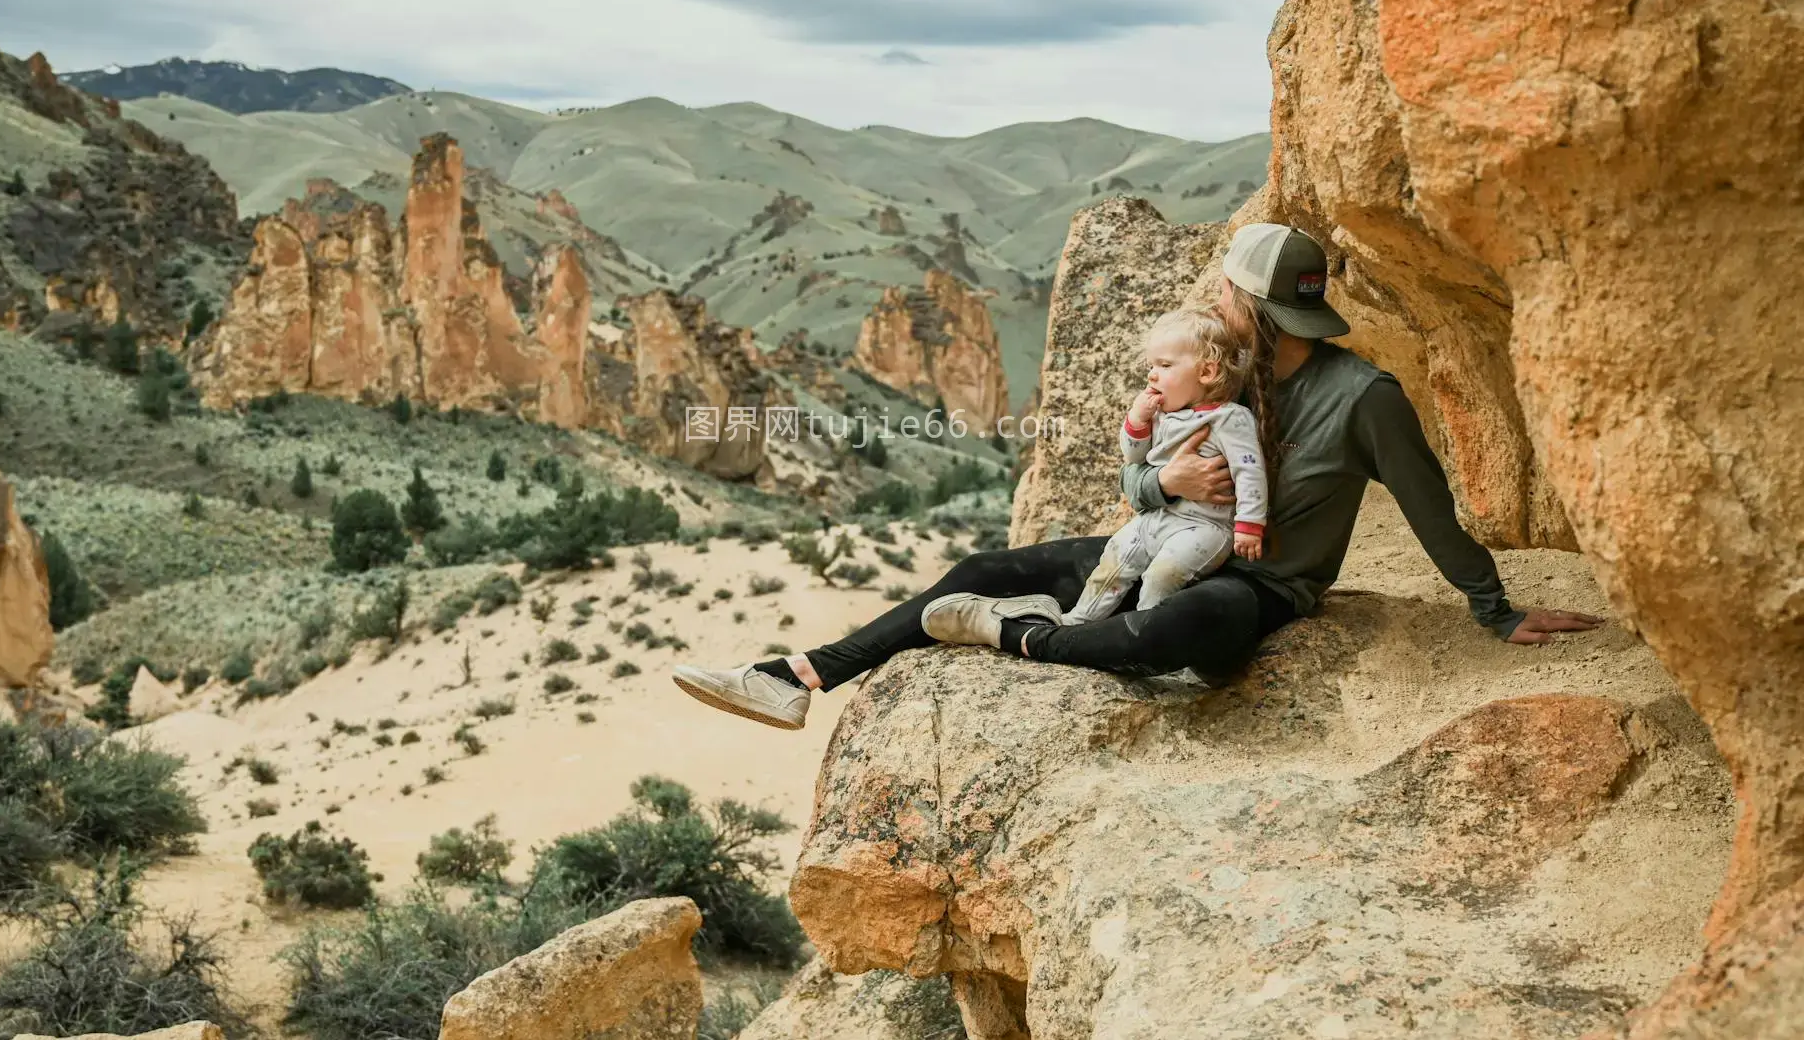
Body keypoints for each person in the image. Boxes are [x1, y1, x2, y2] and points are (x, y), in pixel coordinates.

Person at [670, 223, 1601, 731]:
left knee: (1174, 634)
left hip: (1254, 585)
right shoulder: (1214, 377)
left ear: (1255, 308)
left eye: (1230, 295)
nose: (1218, 305)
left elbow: (1429, 506)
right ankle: (796, 674)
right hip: (1162, 543)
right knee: (986, 564)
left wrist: (1494, 609)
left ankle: (1016, 641)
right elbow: (1139, 488)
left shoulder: (1363, 399)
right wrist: (1167, 490)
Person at [1062, 307, 1267, 627]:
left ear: (1207, 372)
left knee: (1161, 577)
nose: (1152, 375)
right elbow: (1133, 457)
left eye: (1165, 365)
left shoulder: (1228, 419)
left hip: (1203, 527)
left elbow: (1249, 470)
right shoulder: (1159, 415)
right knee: (1115, 557)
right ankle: (1080, 618)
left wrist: (1250, 524)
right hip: (1156, 517)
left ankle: (1144, 633)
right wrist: (1137, 420)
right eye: (1152, 365)